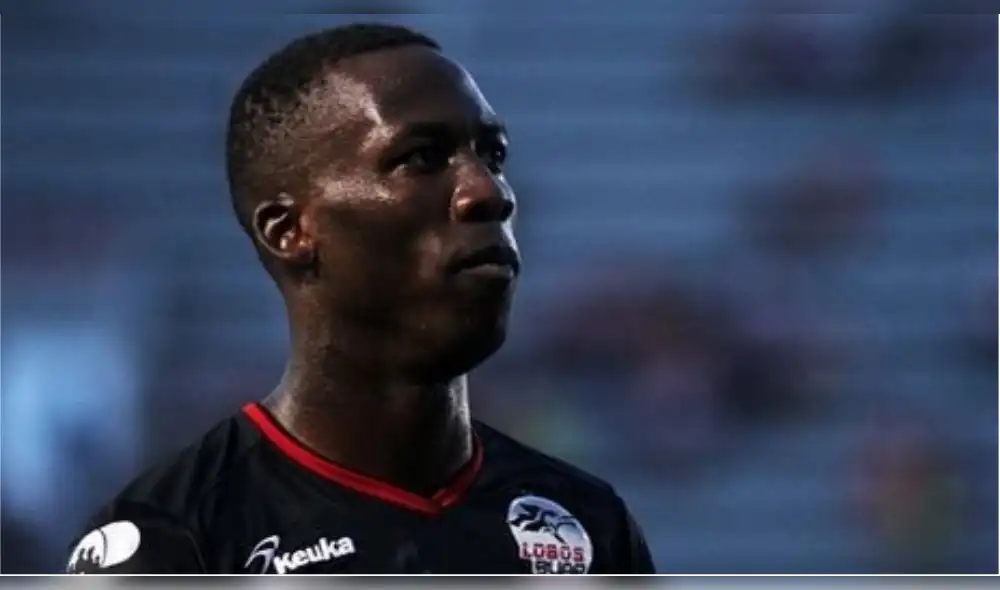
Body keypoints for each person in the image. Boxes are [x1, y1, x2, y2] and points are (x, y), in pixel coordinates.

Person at [64, 23, 655, 574]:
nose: (488, 191)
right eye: (421, 157)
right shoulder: (173, 540)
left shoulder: (587, 526)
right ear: (288, 231)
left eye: (492, 154)